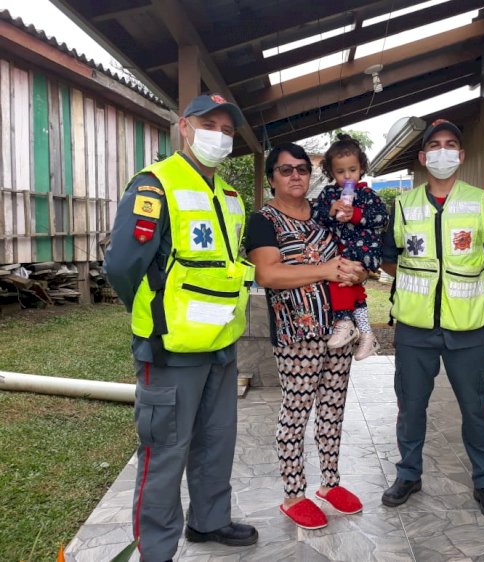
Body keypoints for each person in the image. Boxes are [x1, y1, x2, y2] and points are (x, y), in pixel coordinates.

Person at [104, 93, 257, 562]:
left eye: (228, 130)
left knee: (216, 441)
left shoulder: (230, 197)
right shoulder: (155, 186)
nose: (220, 135)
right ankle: (155, 550)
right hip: (170, 348)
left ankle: (209, 521)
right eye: (210, 124)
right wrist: (157, 316)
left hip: (221, 345)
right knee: (165, 452)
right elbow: (123, 266)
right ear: (185, 127)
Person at [379, 119, 484, 521]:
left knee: (477, 406)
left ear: (461, 154)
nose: (442, 151)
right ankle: (409, 474)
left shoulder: (483, 201)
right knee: (411, 405)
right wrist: (422, 281)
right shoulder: (403, 203)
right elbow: (389, 257)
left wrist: (467, 277)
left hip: (467, 327)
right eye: (434, 145)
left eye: (450, 144)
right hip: (414, 327)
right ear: (422, 157)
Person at [246, 142, 368, 531]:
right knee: (296, 413)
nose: (296, 175)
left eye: (302, 168)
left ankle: (329, 484)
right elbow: (268, 274)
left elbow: (352, 251)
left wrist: (358, 273)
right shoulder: (263, 220)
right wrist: (327, 271)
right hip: (297, 334)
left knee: (333, 408)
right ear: (272, 179)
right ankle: (294, 493)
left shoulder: (324, 213)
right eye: (286, 170)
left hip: (338, 330)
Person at [311, 133, 388, 360]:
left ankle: (345, 322)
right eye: (340, 172)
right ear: (331, 172)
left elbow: (382, 219)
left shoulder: (368, 195)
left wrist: (355, 214)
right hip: (339, 248)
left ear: (361, 168)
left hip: (362, 249)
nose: (347, 176)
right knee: (353, 287)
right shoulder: (329, 194)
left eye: (352, 170)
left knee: (341, 280)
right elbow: (316, 217)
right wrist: (330, 211)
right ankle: (365, 332)